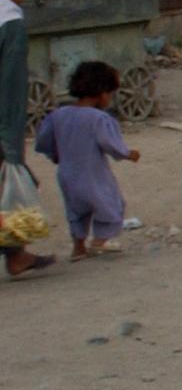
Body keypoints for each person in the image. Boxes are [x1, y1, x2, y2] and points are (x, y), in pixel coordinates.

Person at [34, 61, 138, 259]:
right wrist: (128, 153)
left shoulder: (58, 115)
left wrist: (55, 154)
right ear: (102, 92)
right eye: (110, 93)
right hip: (92, 173)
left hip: (66, 174)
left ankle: (78, 247)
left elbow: (44, 140)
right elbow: (109, 143)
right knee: (111, 203)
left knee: (76, 211)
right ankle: (99, 240)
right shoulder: (98, 118)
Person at [0, 0, 52, 279]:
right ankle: (16, 255)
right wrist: (10, 144)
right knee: (11, 185)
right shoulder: (11, 23)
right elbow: (10, 88)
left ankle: (17, 254)